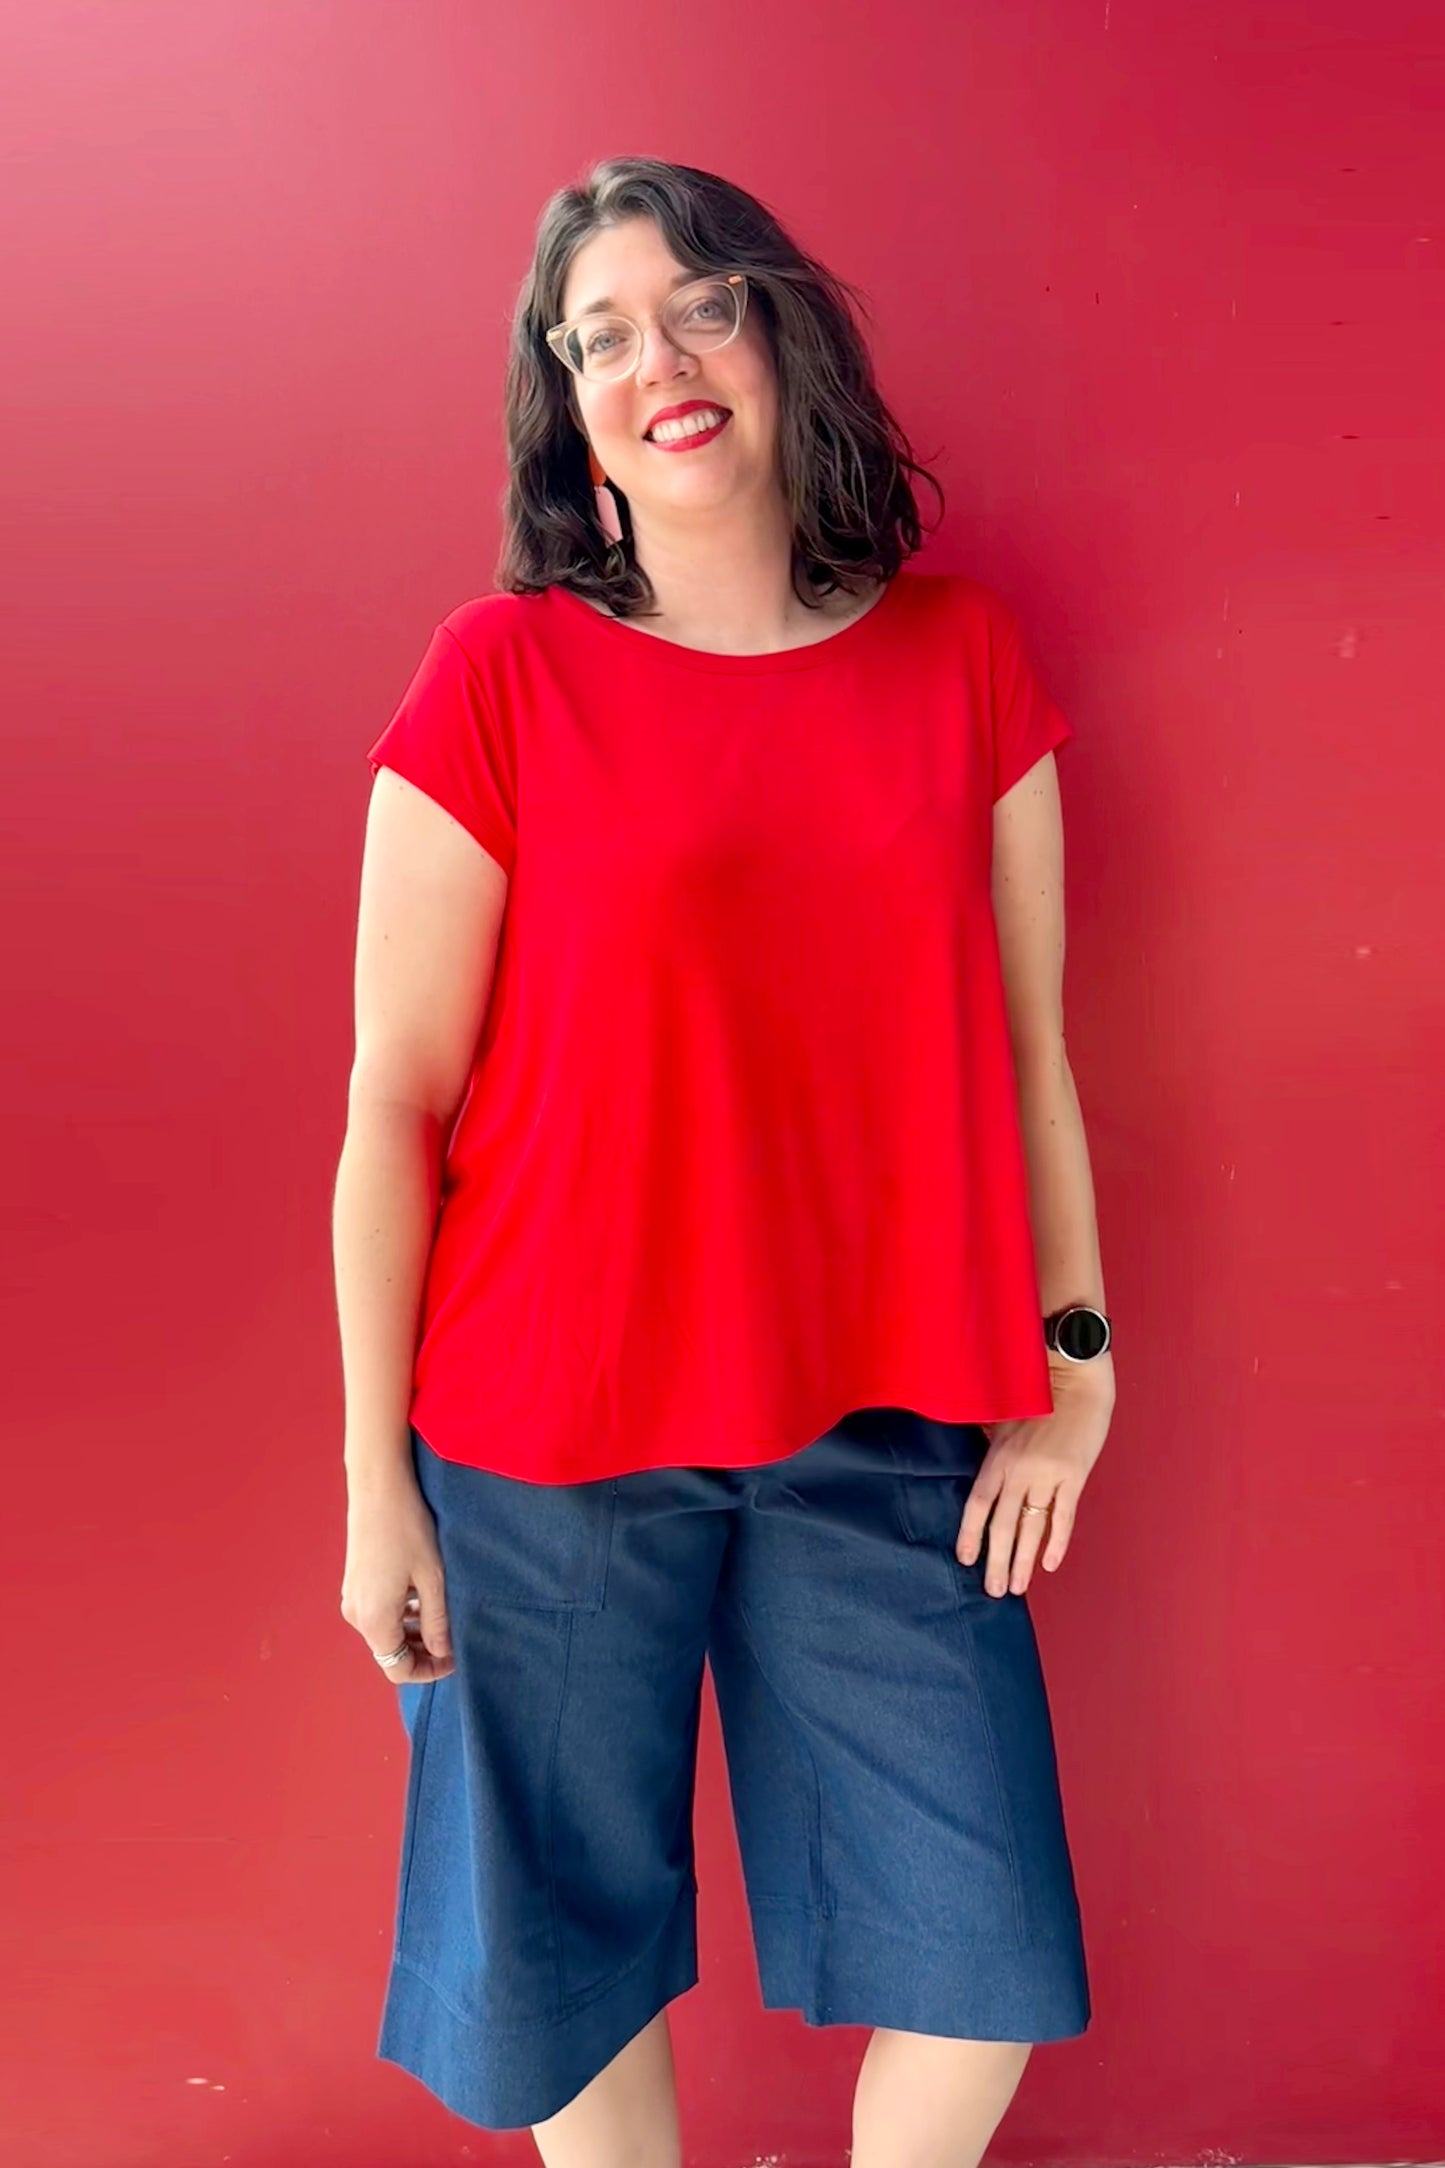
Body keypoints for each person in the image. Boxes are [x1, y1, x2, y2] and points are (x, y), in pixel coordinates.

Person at [334, 156, 1115, 2166]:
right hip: (543, 1422)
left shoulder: (962, 661)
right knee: (557, 1952)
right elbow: (393, 1100)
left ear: (780, 334)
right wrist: (371, 1486)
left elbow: (1029, 1053)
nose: (657, 363)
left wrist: (1075, 1369)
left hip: (885, 1406)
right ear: (567, 406)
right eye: (599, 337)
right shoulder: (498, 676)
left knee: (978, 1949)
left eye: (698, 307)